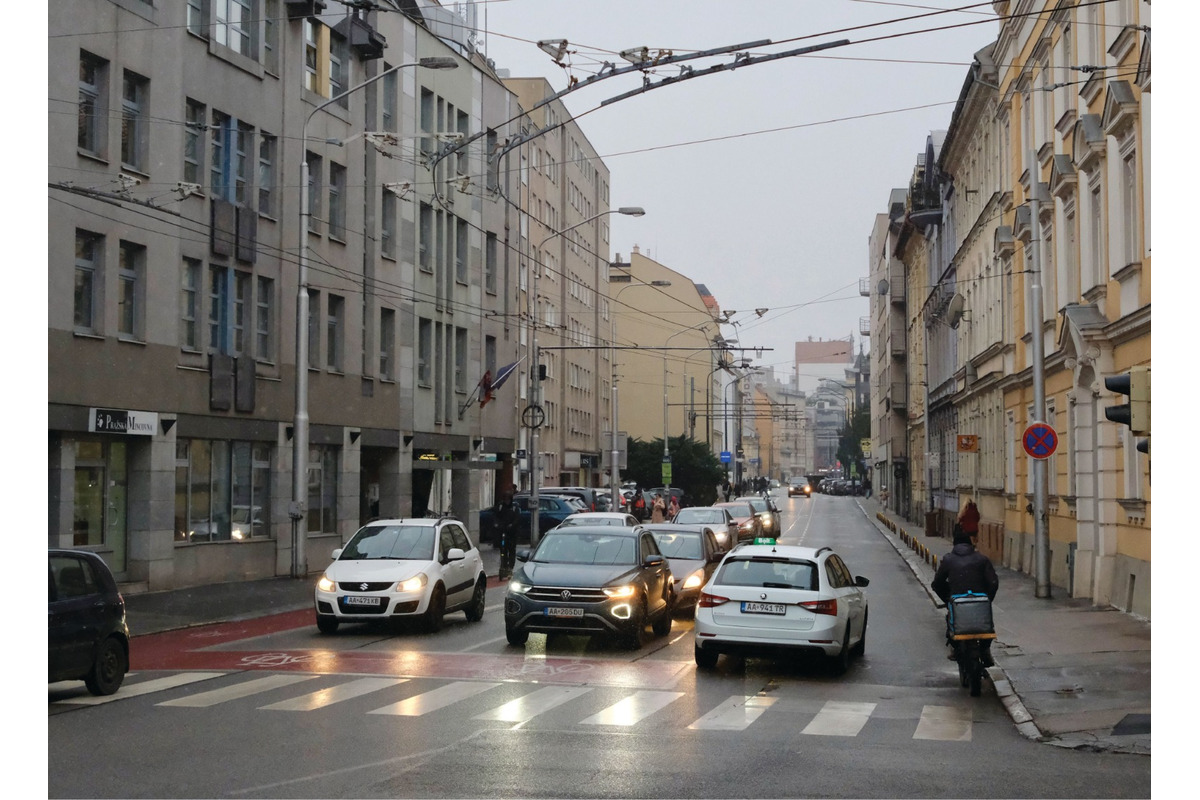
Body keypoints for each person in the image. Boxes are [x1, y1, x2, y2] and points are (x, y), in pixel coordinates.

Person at [931, 528, 999, 665]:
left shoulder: (948, 560)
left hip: (957, 602)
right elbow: (993, 582)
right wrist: (987, 599)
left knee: (951, 625)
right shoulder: (982, 559)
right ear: (970, 544)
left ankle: (955, 650)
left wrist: (948, 598)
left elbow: (937, 584)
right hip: (980, 603)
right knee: (987, 626)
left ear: (954, 545)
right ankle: (985, 651)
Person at [494, 492, 521, 578]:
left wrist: (512, 525)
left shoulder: (514, 507)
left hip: (512, 533)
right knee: (503, 550)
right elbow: (496, 516)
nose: (506, 501)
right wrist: (496, 524)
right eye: (505, 499)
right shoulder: (500, 506)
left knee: (511, 550)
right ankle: (503, 566)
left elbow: (517, 518)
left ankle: (510, 568)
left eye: (508, 500)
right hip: (502, 531)